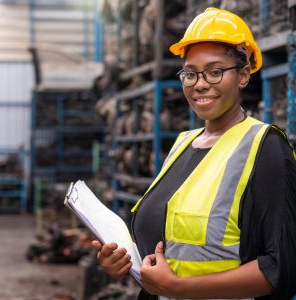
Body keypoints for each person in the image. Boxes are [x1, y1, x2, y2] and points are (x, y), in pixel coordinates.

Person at [92, 7, 296, 300]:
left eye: (215, 71)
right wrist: (125, 264)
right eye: (190, 73)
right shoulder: (182, 144)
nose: (200, 83)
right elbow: (171, 250)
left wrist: (177, 288)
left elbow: (281, 268)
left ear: (243, 74)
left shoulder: (265, 147)